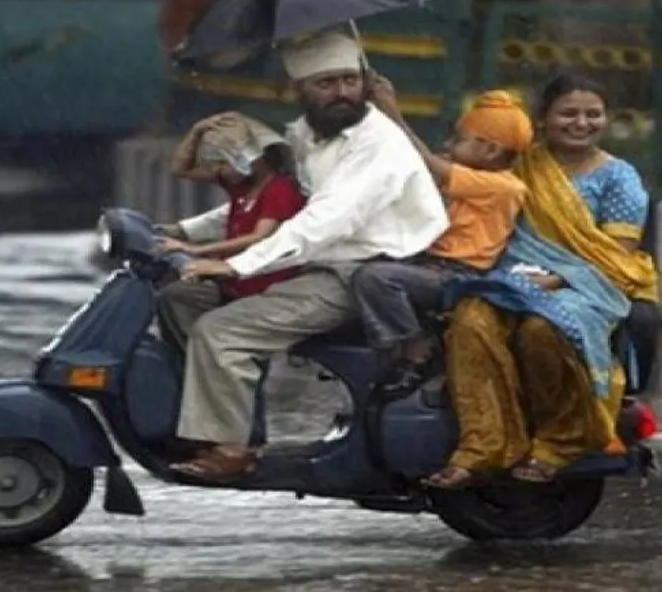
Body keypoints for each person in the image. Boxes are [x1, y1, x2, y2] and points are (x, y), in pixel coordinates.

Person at [159, 27, 450, 481]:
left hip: (362, 274)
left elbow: (329, 219)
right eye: (326, 83)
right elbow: (269, 199)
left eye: (349, 81)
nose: (341, 93)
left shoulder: (379, 145)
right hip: (313, 265)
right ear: (299, 89)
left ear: (364, 80)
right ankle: (228, 425)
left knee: (221, 330)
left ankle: (232, 450)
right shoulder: (304, 138)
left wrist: (236, 263)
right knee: (182, 299)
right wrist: (182, 232)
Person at [426, 73, 661, 489]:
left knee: (542, 330)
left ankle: (558, 444)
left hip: (590, 285)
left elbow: (614, 256)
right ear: (543, 119)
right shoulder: (520, 164)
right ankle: (482, 447)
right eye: (568, 113)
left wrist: (557, 279)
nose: (581, 123)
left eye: (593, 114)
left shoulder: (619, 177)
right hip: (509, 277)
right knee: (471, 320)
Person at [352, 83, 532, 399]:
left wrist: (391, 111)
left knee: (375, 279)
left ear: (490, 150)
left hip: (457, 275)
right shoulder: (470, 176)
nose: (450, 145)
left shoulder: (503, 187)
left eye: (459, 140)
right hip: (429, 266)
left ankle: (414, 349)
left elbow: (426, 164)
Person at [154, 113, 306, 353]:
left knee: (192, 309)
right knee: (174, 296)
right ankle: (184, 362)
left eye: (224, 162)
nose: (219, 170)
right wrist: (197, 130)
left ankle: (201, 362)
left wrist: (194, 249)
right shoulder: (241, 186)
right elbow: (180, 169)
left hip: (262, 286)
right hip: (233, 283)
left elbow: (259, 236)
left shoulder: (279, 189)